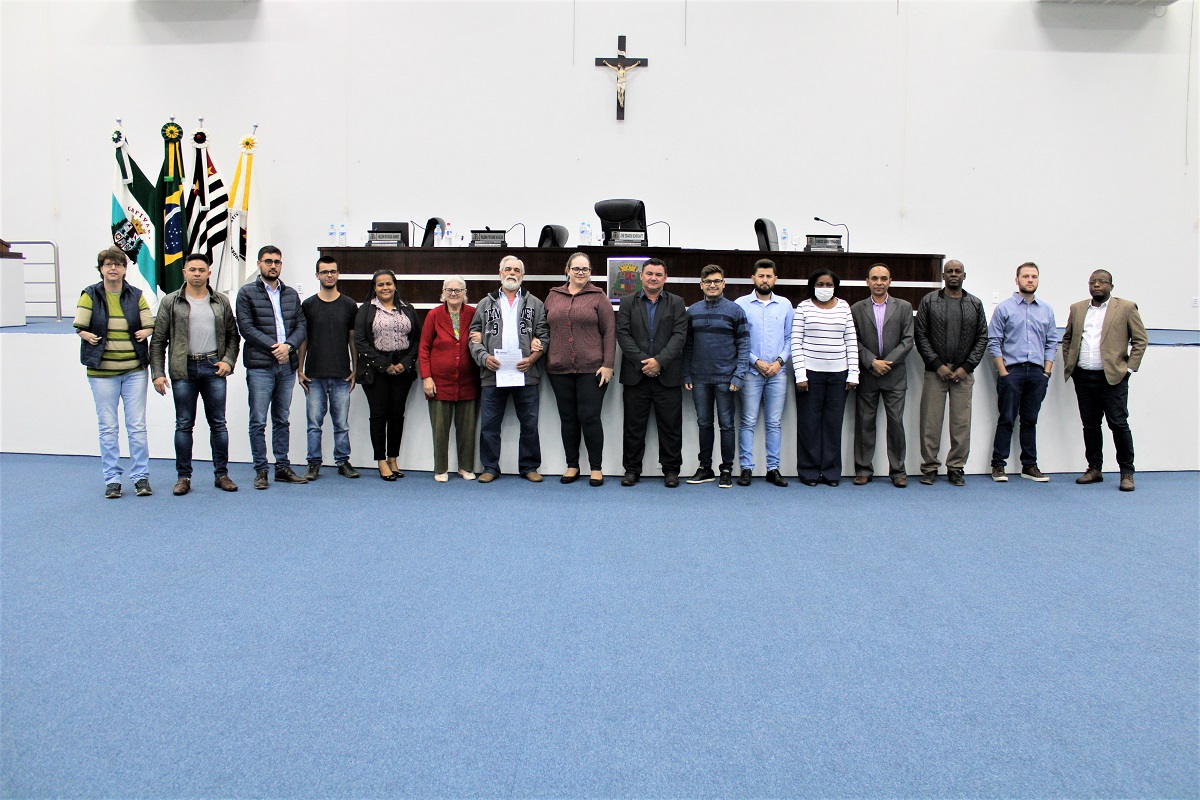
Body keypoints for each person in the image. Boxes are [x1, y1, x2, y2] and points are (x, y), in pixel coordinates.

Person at [150, 252, 241, 496]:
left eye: (202, 270)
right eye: (192, 270)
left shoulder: (221, 301)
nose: (197, 274)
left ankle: (222, 475)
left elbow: (233, 336)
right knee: (183, 425)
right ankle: (183, 477)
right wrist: (158, 373)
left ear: (209, 273)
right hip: (183, 369)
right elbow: (158, 341)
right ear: (185, 273)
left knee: (218, 424)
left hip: (214, 368)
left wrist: (228, 361)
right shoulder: (170, 302)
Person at [74, 247, 155, 498]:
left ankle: (141, 478)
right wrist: (85, 334)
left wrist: (147, 331)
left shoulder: (136, 295)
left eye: (118, 264)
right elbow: (79, 325)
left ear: (124, 269)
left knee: (137, 427)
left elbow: (149, 323)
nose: (113, 268)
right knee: (108, 428)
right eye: (108, 264)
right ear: (101, 268)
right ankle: (112, 480)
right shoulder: (90, 294)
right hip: (102, 373)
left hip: (134, 371)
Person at [1060, 269, 1148, 492]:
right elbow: (1067, 339)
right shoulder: (1077, 308)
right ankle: (1094, 468)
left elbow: (1140, 340)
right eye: (1093, 282)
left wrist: (1129, 369)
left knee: (1118, 424)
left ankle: (1126, 472)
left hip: (1113, 379)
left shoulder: (1126, 308)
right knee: (1090, 425)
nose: (1097, 285)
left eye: (1102, 282)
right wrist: (1071, 365)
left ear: (1111, 286)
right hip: (1083, 377)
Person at [468, 255, 549, 483]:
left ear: (522, 276)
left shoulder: (535, 304)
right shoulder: (485, 304)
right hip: (493, 374)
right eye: (508, 269)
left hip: (526, 373)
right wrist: (484, 358)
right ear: (500, 273)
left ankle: (529, 466)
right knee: (489, 424)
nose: (512, 273)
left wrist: (533, 358)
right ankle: (489, 467)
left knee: (530, 424)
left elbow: (544, 336)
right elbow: (473, 337)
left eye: (516, 270)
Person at [236, 245, 308, 489]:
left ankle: (282, 467)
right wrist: (275, 348)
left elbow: (301, 326)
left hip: (287, 367)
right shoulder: (246, 293)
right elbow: (246, 328)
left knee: (282, 419)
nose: (273, 265)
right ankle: (261, 470)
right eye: (268, 261)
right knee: (258, 420)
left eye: (277, 262)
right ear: (259, 264)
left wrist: (288, 347)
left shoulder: (291, 295)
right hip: (260, 366)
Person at [913, 259, 988, 486]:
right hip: (936, 372)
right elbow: (920, 335)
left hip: (963, 373)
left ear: (964, 276)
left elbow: (982, 337)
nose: (954, 274)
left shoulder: (975, 304)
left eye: (958, 271)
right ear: (943, 276)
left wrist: (966, 367)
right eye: (949, 271)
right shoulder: (929, 301)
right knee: (930, 423)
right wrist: (937, 364)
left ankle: (956, 467)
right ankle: (929, 467)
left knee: (961, 424)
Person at [616, 257, 689, 487]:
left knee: (671, 427)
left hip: (667, 375)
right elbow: (623, 335)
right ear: (641, 276)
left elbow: (679, 336)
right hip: (635, 376)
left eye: (658, 274)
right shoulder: (627, 302)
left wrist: (659, 362)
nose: (653, 278)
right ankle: (631, 470)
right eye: (649, 273)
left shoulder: (676, 302)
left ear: (665, 278)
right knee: (633, 427)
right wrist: (644, 363)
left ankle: (671, 470)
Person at [544, 252, 616, 487]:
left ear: (590, 272)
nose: (580, 273)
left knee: (590, 417)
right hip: (558, 368)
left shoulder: (599, 297)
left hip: (592, 369)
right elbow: (543, 326)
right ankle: (572, 465)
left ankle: (596, 468)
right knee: (568, 418)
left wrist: (608, 364)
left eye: (585, 269)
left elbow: (609, 332)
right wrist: (535, 340)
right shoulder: (553, 296)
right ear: (568, 270)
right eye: (576, 268)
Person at [988, 261, 1059, 482]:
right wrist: (1003, 372)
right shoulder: (1004, 308)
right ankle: (998, 465)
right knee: (1007, 419)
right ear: (1017, 280)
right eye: (1026, 276)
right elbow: (994, 341)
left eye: (1034, 276)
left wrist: (1046, 373)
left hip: (1037, 374)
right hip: (1012, 372)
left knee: (1030, 420)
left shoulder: (1046, 310)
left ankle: (1029, 465)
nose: (1030, 280)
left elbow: (1052, 343)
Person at [683, 264, 750, 488]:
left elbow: (744, 345)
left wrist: (739, 376)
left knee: (726, 425)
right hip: (699, 379)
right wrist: (687, 374)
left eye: (717, 281)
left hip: (726, 379)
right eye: (708, 282)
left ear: (724, 284)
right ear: (701, 285)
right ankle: (705, 468)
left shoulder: (735, 311)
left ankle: (726, 469)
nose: (712, 285)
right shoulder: (692, 311)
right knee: (704, 423)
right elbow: (688, 346)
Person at [791, 268, 859, 487]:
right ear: (812, 286)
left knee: (833, 425)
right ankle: (809, 471)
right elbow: (795, 342)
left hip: (839, 375)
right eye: (820, 284)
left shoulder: (844, 307)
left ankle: (831, 472)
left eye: (829, 284)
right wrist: (800, 374)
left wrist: (853, 373)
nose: (824, 288)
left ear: (835, 286)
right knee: (808, 426)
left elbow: (851, 341)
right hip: (810, 375)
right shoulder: (803, 307)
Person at [850, 264, 914, 488]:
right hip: (868, 374)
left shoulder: (904, 307)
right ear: (867, 282)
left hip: (894, 375)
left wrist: (887, 363)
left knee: (895, 424)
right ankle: (863, 469)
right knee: (864, 424)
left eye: (883, 278)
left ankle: (898, 471)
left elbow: (908, 340)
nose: (879, 282)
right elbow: (853, 340)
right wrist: (871, 362)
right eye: (875, 278)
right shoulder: (856, 308)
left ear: (890, 281)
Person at [297, 255, 360, 480]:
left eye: (332, 271)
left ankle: (342, 461)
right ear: (317, 275)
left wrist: (355, 369)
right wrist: (300, 369)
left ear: (338, 274)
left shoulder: (349, 305)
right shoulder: (308, 305)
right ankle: (313, 463)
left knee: (341, 424)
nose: (329, 275)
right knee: (314, 424)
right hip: (314, 375)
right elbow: (303, 339)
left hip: (342, 374)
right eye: (324, 272)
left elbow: (352, 340)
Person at [354, 269, 421, 481]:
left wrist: (404, 363)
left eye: (389, 284)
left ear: (395, 286)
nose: (385, 288)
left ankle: (393, 458)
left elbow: (417, 340)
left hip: (402, 368)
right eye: (380, 284)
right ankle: (381, 460)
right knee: (378, 415)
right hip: (375, 369)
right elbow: (360, 342)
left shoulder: (407, 308)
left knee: (396, 415)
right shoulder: (366, 309)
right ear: (374, 288)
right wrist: (385, 366)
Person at [734, 258, 792, 487]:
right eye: (761, 276)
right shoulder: (741, 304)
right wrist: (755, 361)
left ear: (775, 279)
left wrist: (779, 362)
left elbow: (790, 338)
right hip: (751, 372)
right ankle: (746, 468)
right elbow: (738, 339)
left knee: (774, 422)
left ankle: (773, 469)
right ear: (753, 278)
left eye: (769, 276)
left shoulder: (785, 305)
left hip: (778, 373)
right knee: (748, 421)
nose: (765, 280)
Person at [418, 276, 481, 482]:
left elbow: (483, 337)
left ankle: (465, 467)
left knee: (467, 430)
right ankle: (440, 469)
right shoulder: (434, 315)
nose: (453, 294)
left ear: (465, 293)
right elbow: (424, 348)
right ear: (443, 292)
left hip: (468, 381)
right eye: (449, 290)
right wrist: (427, 377)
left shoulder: (473, 313)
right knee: (440, 430)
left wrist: (481, 337)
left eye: (458, 290)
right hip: (439, 382)